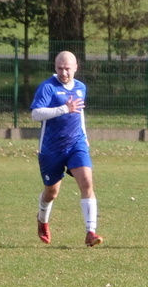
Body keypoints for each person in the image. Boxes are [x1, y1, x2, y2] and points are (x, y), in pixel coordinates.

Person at [30, 51, 101, 247]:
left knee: (87, 182)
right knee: (51, 193)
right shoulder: (48, 87)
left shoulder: (80, 87)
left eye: (67, 69)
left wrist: (84, 135)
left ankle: (90, 232)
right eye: (60, 68)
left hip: (76, 144)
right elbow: (36, 114)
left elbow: (79, 112)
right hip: (51, 148)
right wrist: (63, 109)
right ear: (55, 67)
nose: (64, 73)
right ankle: (42, 220)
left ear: (76, 68)